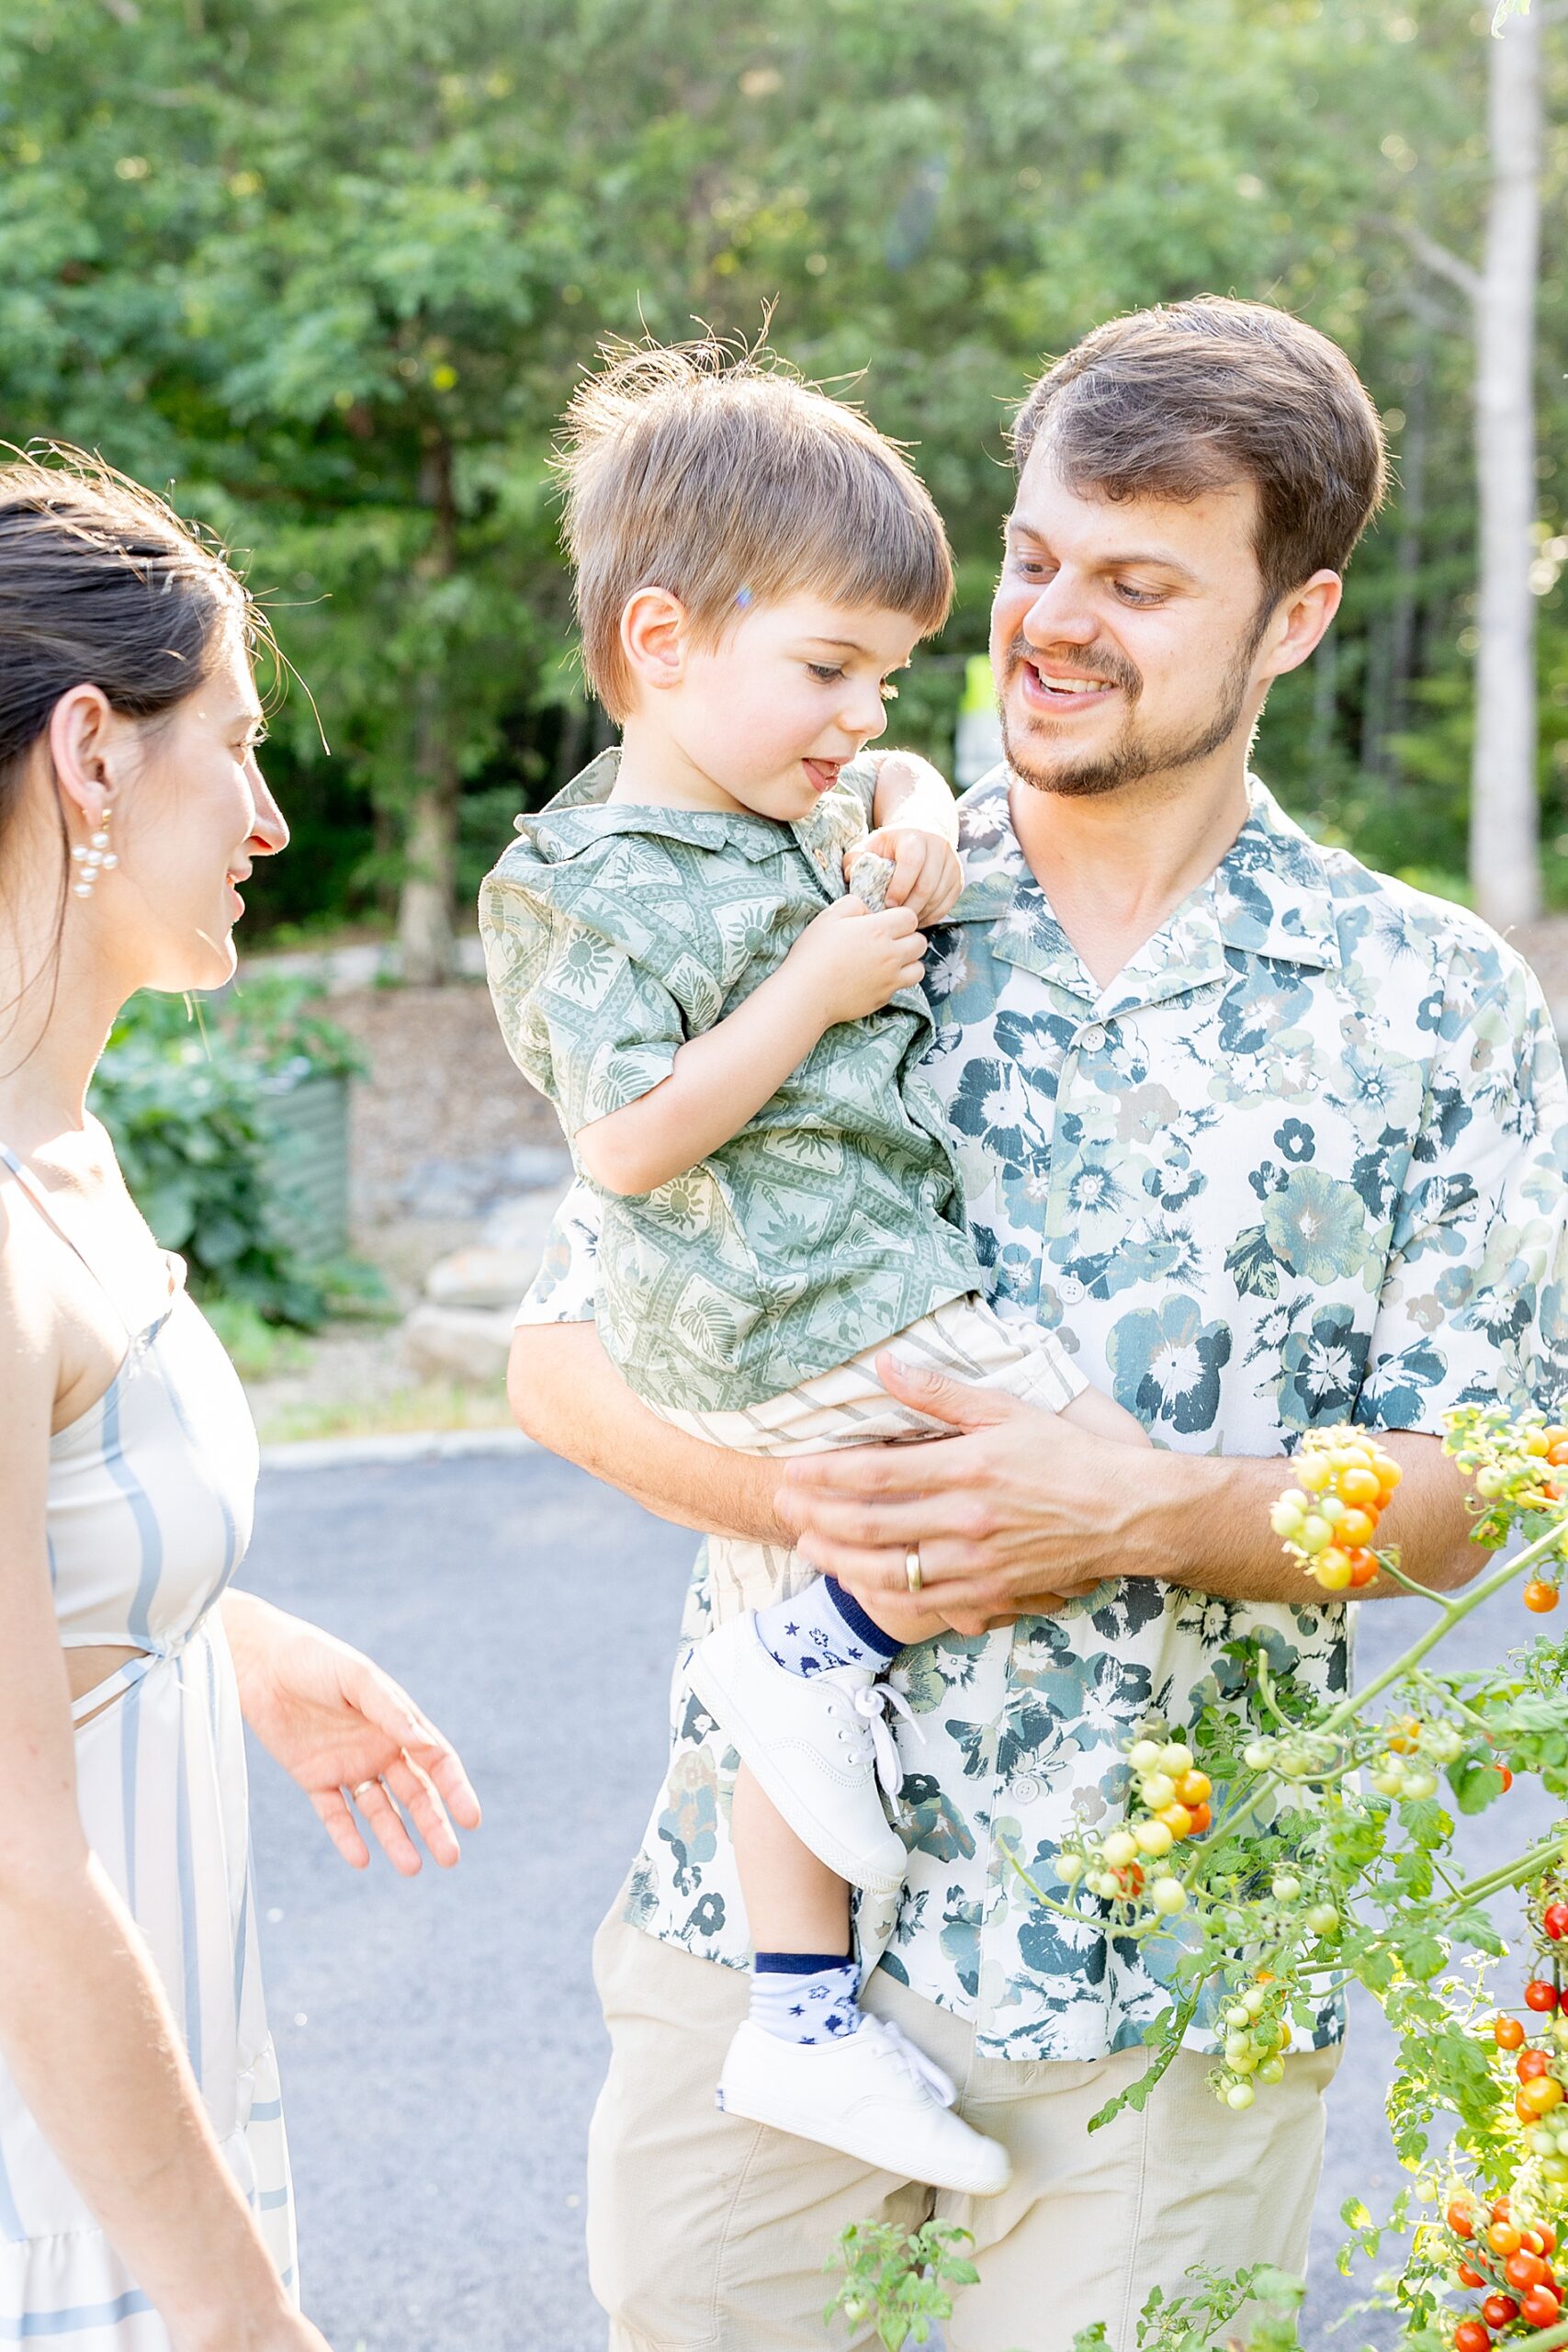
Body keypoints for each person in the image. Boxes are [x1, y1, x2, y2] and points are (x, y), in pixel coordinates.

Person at [511, 297, 1568, 2352]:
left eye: (1140, 582)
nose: (1052, 623)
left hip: (1164, 1984)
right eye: (1034, 557)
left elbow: (1479, 1493)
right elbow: (558, 1355)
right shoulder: (805, 884)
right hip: (765, 1962)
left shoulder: (1423, 1003)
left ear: (1292, 617)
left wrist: (1144, 1512)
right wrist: (837, 1509)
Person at [479, 344, 1150, 2197]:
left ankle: (798, 2009)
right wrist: (813, 986)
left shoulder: (787, 805)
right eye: (829, 671)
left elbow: (891, 790)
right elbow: (620, 1138)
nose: (859, 715)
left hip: (825, 1286)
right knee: (1055, 1458)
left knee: (821, 1573)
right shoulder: (579, 884)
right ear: (669, 638)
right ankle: (823, 1644)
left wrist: (919, 795)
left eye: (884, 679)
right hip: (799, 1296)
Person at [0, 453, 481, 2351]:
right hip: (56, 2205)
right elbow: (17, 1868)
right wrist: (236, 2319)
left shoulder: (67, 1148)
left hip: (145, 2135)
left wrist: (212, 1625)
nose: (275, 820)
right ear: (95, 754)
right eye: (243, 746)